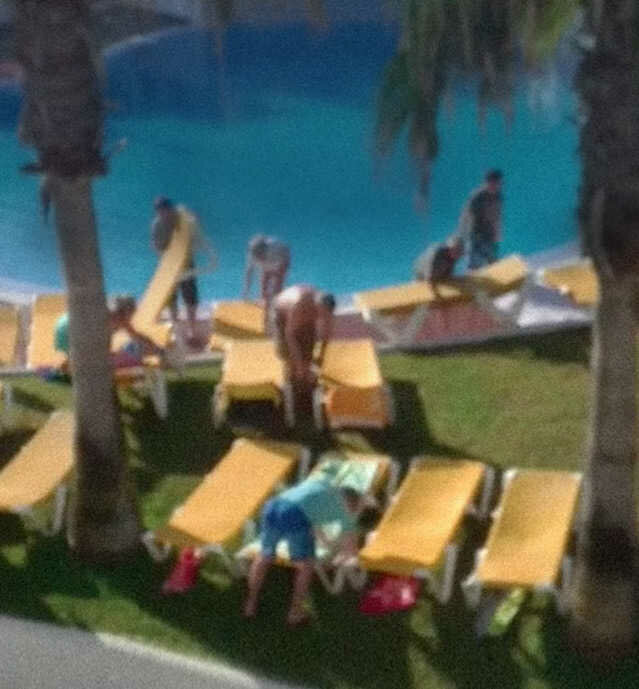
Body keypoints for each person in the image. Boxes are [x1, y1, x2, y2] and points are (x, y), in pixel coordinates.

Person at [243, 469, 363, 626]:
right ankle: (295, 612)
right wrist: (348, 556)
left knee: (264, 556)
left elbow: (312, 520)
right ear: (350, 503)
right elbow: (351, 548)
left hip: (273, 506)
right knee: (306, 565)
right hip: (295, 515)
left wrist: (324, 541)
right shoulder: (343, 512)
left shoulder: (321, 484)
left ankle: (250, 604)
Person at [151, 196, 216, 344]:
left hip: (186, 262)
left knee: (190, 296)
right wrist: (168, 258)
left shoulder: (183, 219)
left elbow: (197, 229)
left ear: (170, 209)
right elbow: (156, 247)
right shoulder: (157, 225)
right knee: (171, 298)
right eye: (160, 211)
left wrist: (192, 218)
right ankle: (175, 329)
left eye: (165, 210)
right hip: (168, 264)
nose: (163, 214)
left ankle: (192, 329)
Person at [54, 294, 164, 372]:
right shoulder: (113, 319)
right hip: (72, 335)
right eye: (131, 314)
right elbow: (136, 336)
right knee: (118, 359)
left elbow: (136, 335)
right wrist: (156, 349)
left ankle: (69, 364)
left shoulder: (110, 315)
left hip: (66, 330)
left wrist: (155, 348)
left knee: (111, 355)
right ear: (127, 312)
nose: (131, 318)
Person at [272, 284, 335, 385]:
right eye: (320, 313)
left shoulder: (326, 309)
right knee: (287, 355)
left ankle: (305, 379)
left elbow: (326, 333)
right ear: (317, 306)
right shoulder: (300, 304)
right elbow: (290, 335)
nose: (322, 317)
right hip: (281, 313)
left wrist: (321, 356)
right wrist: (299, 364)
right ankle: (290, 383)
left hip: (304, 314)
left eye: (325, 315)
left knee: (308, 352)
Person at [459, 169, 503, 270]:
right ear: (487, 182)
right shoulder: (477, 197)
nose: (495, 186)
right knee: (475, 263)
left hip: (490, 235)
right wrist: (462, 237)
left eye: (498, 183)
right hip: (476, 235)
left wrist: (498, 233)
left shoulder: (498, 197)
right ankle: (473, 274)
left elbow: (498, 216)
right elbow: (465, 217)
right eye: (493, 183)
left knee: (493, 261)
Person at [242, 234, 291, 304]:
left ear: (265, 250)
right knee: (264, 283)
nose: (259, 257)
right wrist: (245, 293)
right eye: (257, 255)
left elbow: (282, 268)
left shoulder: (275, 249)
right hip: (273, 260)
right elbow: (249, 273)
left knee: (277, 285)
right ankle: (264, 300)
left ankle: (277, 302)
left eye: (261, 254)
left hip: (283, 259)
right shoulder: (252, 255)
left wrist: (277, 279)